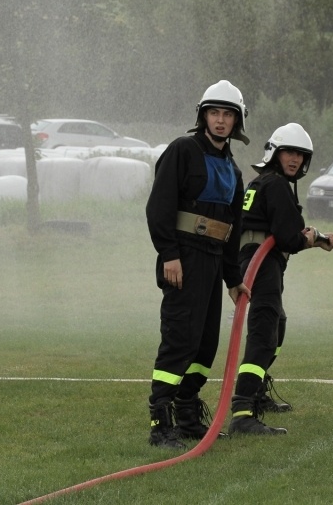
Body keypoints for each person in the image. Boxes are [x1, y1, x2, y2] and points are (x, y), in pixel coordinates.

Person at [145, 80, 251, 449]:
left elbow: (232, 230)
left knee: (205, 346)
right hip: (183, 259)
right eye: (214, 113)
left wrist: (233, 278)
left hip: (212, 262)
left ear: (237, 121)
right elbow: (159, 207)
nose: (220, 120)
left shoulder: (233, 170)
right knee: (180, 339)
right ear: (203, 116)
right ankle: (160, 422)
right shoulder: (183, 150)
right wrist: (169, 255)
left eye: (227, 115)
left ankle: (188, 417)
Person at [229, 123, 333, 436]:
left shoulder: (264, 182)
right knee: (264, 333)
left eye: (300, 154)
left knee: (276, 325)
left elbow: (282, 233)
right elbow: (288, 238)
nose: (295, 159)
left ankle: (256, 393)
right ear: (274, 153)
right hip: (262, 263)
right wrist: (309, 239)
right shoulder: (276, 184)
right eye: (289, 152)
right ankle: (242, 413)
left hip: (256, 259)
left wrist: (317, 240)